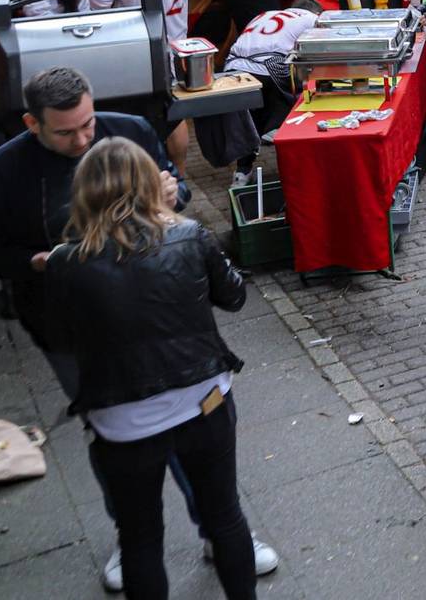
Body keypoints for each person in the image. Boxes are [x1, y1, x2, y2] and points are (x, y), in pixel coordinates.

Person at [46, 138, 264, 599]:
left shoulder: (66, 261)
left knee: (141, 537)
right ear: (152, 184)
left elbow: (62, 338)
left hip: (123, 422)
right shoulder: (187, 236)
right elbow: (235, 296)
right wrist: (176, 222)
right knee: (224, 515)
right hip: (203, 401)